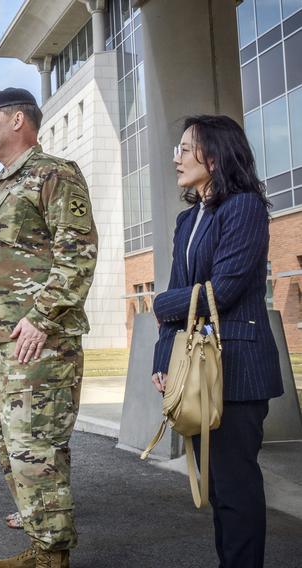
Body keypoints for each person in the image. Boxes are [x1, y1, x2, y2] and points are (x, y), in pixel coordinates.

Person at [152, 115, 284, 568]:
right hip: (195, 368)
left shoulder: (244, 207)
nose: (178, 158)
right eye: (179, 148)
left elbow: (222, 289)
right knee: (216, 486)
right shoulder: (188, 219)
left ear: (216, 154)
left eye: (187, 149)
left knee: (235, 487)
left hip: (238, 369)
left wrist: (159, 303)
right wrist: (163, 355)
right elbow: (181, 289)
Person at [0, 88, 97, 568]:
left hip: (40, 343)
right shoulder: (1, 186)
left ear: (18, 120)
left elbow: (77, 255)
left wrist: (42, 318)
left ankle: (53, 552)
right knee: (14, 449)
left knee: (36, 447)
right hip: (5, 344)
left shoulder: (54, 174)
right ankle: (41, 542)